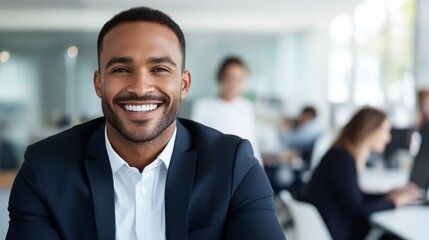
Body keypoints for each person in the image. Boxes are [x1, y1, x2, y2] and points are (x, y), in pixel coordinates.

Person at [6, 7, 286, 240]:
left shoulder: (234, 166)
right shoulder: (44, 169)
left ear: (184, 83)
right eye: (121, 69)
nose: (140, 87)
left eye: (160, 69)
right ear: (98, 84)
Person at [304, 107, 420, 240]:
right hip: (337, 233)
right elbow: (358, 208)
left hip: (334, 228)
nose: (388, 138)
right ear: (370, 130)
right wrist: (393, 202)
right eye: (386, 131)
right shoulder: (341, 158)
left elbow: (355, 197)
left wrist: (388, 195)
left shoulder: (341, 155)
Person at [190, 56, 262, 164]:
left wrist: (260, 168)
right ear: (221, 78)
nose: (235, 83)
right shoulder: (204, 105)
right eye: (230, 77)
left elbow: (252, 143)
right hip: (213, 164)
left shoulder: (247, 107)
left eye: (240, 79)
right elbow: (195, 142)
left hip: (243, 166)